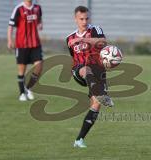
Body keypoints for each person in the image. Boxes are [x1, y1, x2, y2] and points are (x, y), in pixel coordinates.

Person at [66, 6, 114, 148]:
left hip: (98, 70)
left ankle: (79, 140)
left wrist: (82, 42)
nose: (84, 21)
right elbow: (74, 58)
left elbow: (103, 43)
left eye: (87, 18)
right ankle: (100, 93)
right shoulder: (69, 38)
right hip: (79, 70)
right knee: (85, 69)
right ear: (76, 19)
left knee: (95, 105)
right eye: (81, 19)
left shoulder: (95, 30)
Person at [7, 0, 43, 101]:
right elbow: (10, 26)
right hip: (22, 45)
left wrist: (40, 25)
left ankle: (29, 88)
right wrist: (10, 40)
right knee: (22, 70)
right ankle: (22, 93)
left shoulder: (38, 8)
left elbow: (39, 19)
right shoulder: (18, 9)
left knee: (39, 66)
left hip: (35, 44)